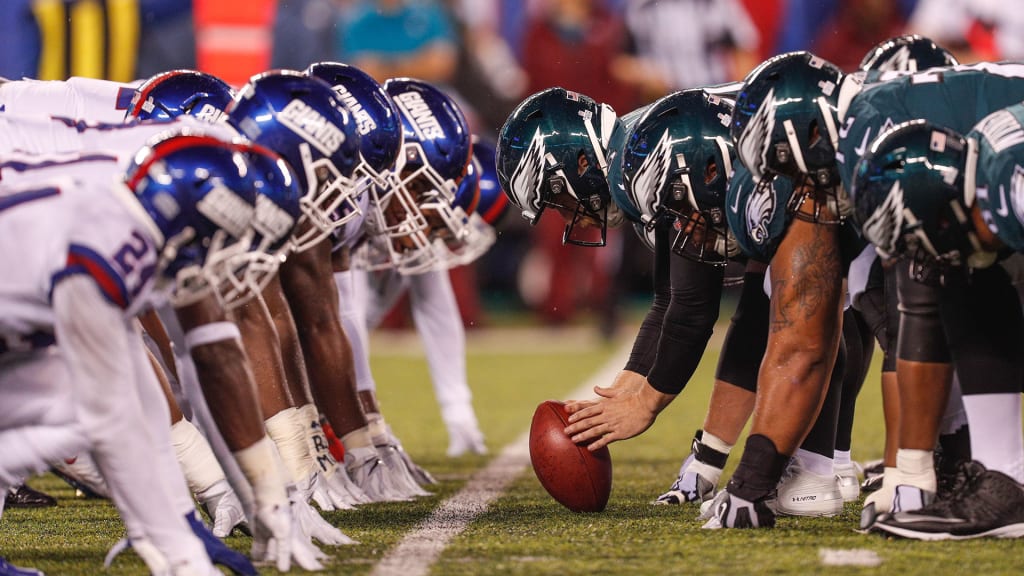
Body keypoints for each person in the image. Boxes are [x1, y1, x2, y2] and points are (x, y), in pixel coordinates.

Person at [0, 131, 264, 575]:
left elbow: (138, 398)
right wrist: (183, 558)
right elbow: (112, 423)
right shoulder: (106, 253)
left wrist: (176, 533)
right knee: (73, 411)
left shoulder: (118, 225)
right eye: (216, 236)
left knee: (82, 402)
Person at [851, 113, 1024, 540]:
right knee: (971, 279)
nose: (925, 256)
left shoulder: (1013, 183)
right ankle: (1004, 478)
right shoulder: (984, 174)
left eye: (922, 237)